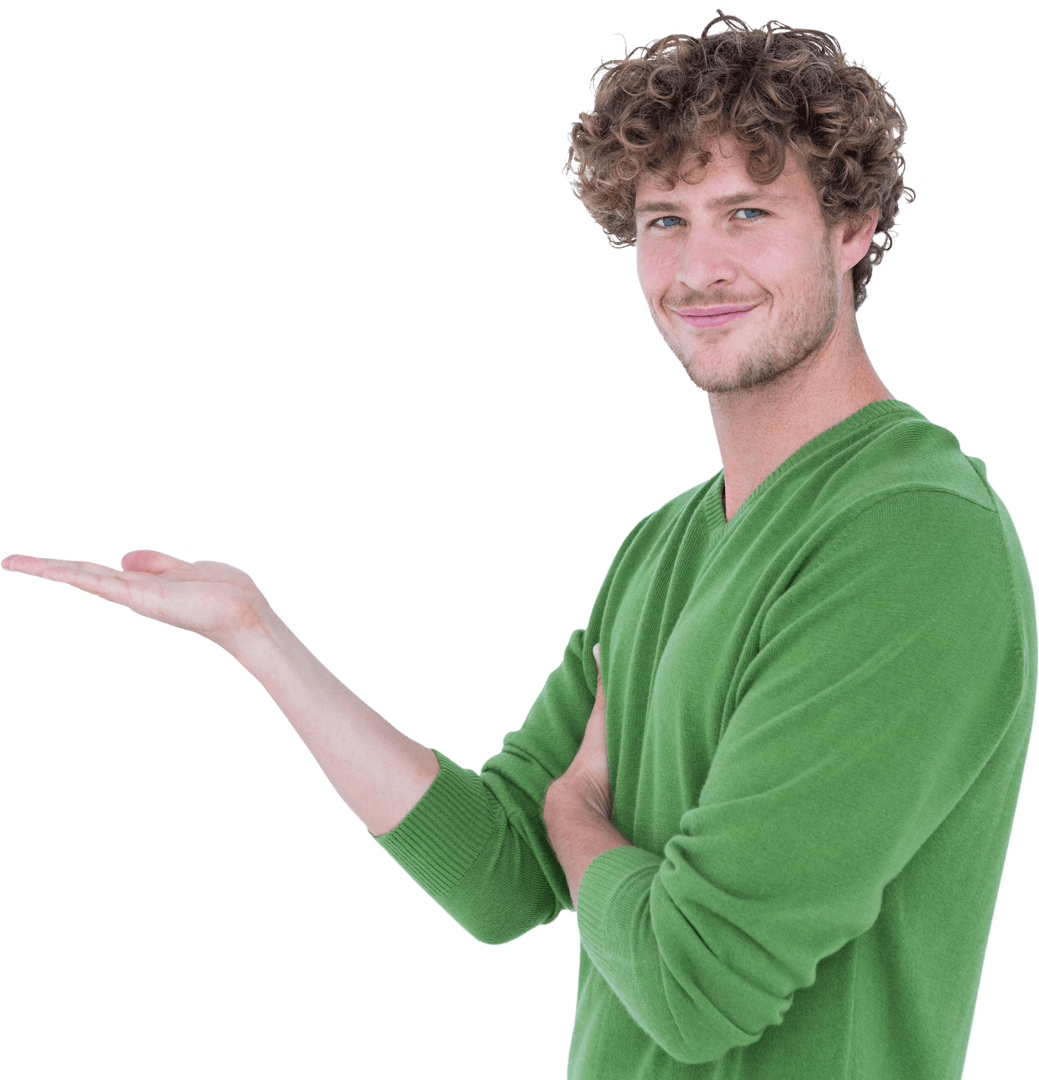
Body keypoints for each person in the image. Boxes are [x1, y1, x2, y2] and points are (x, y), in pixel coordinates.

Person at [4, 11, 1036, 1079]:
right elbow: (500, 872)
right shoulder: (665, 546)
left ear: (852, 225)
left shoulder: (913, 536)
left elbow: (696, 984)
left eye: (746, 210)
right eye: (663, 220)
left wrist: (577, 816)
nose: (698, 267)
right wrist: (261, 639)